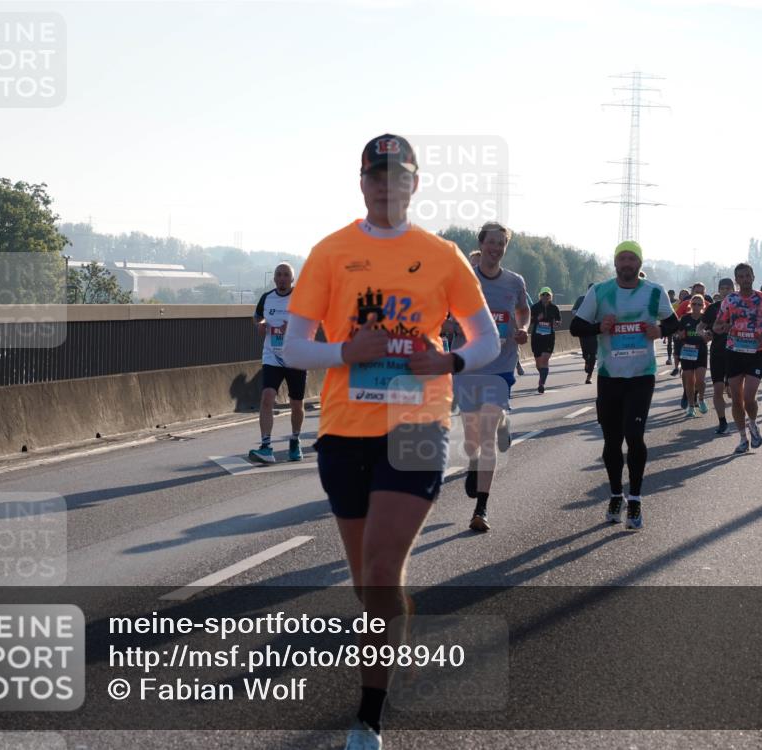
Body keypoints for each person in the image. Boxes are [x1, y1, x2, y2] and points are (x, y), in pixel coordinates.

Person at [282, 134, 501, 750]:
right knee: (366, 584)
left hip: (417, 427)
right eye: (376, 176)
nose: (387, 186)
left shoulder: (442, 255)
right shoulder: (330, 252)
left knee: (382, 567)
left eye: (398, 176)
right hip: (344, 432)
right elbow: (292, 346)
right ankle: (383, 653)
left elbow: (487, 340)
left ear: (415, 183)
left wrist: (450, 363)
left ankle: (368, 718)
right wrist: (343, 351)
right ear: (362, 184)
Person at [571, 240, 680, 530]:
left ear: (639, 264)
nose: (627, 264)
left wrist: (660, 330)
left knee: (634, 435)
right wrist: (598, 327)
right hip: (610, 377)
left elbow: (675, 323)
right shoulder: (600, 292)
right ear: (615, 263)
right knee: (611, 441)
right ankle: (616, 494)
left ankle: (635, 499)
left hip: (641, 376)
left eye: (632, 259)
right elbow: (575, 327)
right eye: (623, 259)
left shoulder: (654, 292)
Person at [453, 222, 530, 532]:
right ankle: (483, 449)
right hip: (468, 366)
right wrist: (448, 323)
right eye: (492, 242)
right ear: (481, 244)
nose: (496, 248)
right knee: (473, 439)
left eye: (501, 244)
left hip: (500, 366)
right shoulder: (463, 278)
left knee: (486, 438)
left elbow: (524, 310)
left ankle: (480, 509)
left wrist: (523, 328)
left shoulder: (514, 282)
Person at [713, 263, 762, 454]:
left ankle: (753, 424)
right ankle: (742, 438)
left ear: (753, 277)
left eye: (747, 276)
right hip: (734, 352)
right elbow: (718, 325)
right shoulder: (730, 300)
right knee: (736, 399)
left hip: (756, 353)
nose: (744, 279)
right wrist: (722, 328)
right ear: (736, 280)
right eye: (740, 277)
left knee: (749, 398)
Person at [249, 263, 306, 463]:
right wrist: (261, 324)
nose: (282, 278)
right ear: (274, 278)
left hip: (295, 357)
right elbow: (257, 317)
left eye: (286, 275)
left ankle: (295, 440)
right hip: (272, 356)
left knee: (296, 404)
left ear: (292, 279)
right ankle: (266, 446)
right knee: (267, 397)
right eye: (278, 275)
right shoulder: (267, 298)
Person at [700, 277, 735, 434]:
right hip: (717, 352)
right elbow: (699, 327)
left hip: (736, 352)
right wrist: (704, 334)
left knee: (735, 391)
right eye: (723, 288)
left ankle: (739, 419)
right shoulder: (713, 308)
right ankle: (722, 422)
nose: (726, 291)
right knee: (717, 389)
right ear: (719, 290)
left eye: (729, 288)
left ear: (734, 290)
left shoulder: (740, 306)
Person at [677, 293, 709, 417]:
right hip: (687, 352)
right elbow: (679, 332)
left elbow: (710, 334)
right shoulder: (685, 318)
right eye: (694, 304)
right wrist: (680, 335)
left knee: (700, 380)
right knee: (689, 381)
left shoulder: (705, 319)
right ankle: (691, 406)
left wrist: (707, 336)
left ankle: (701, 399)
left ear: (703, 305)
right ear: (691, 304)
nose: (696, 306)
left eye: (699, 304)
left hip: (701, 352)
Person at [530, 286, 561, 393]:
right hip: (537, 338)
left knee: (545, 360)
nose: (545, 296)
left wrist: (556, 323)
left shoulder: (554, 308)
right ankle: (542, 374)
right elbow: (528, 320)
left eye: (547, 295)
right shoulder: (534, 307)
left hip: (549, 337)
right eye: (543, 294)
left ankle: (541, 384)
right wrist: (536, 319)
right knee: (539, 364)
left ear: (550, 296)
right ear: (540, 296)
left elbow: (558, 320)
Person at [573, 283, 598, 384]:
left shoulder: (600, 300)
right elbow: (573, 311)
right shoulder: (581, 299)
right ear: (588, 290)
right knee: (585, 352)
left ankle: (589, 376)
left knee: (593, 354)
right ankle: (586, 360)